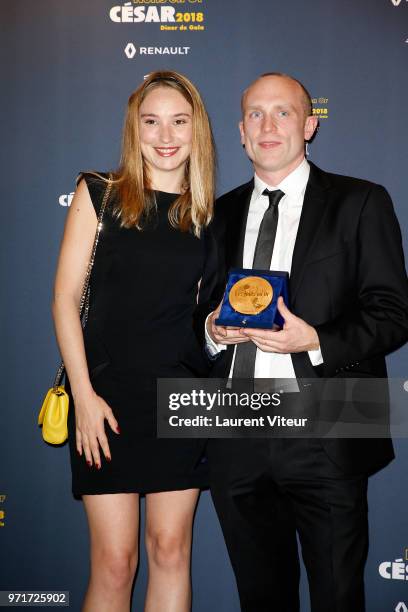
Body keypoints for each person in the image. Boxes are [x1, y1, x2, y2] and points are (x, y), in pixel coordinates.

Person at [205, 72, 408, 612]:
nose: (268, 125)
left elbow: (393, 313)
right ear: (241, 132)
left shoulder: (361, 202)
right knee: (260, 599)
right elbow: (184, 318)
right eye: (255, 114)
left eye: (283, 112)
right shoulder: (215, 215)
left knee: (338, 597)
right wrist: (209, 330)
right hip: (238, 435)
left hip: (331, 432)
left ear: (310, 124)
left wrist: (314, 339)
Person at [52, 70, 216, 612]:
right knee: (115, 561)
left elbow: (201, 320)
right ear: (134, 128)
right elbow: (65, 301)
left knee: (171, 551)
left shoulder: (208, 217)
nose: (165, 136)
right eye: (151, 122)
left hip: (182, 401)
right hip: (106, 400)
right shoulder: (98, 194)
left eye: (178, 121)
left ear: (198, 131)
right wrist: (84, 399)